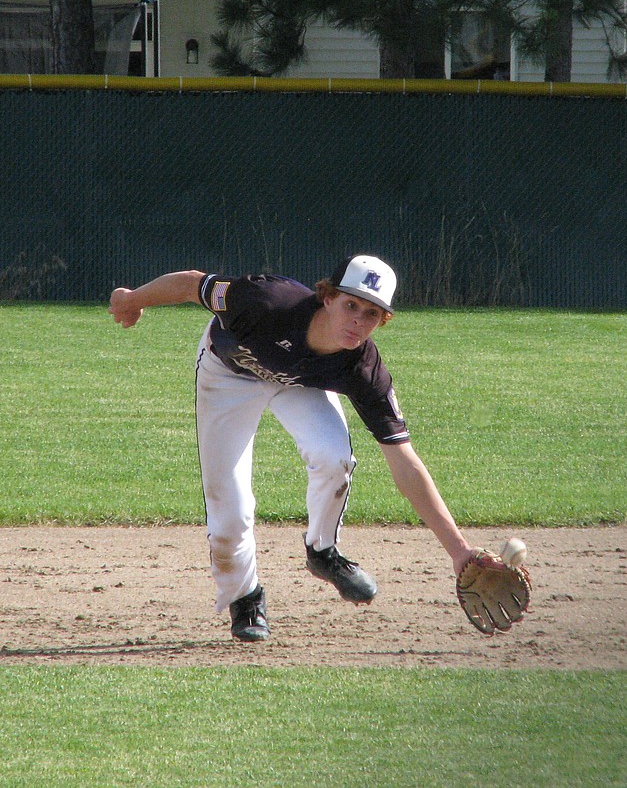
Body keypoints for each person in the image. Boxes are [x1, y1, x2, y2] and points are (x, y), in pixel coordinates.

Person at [109, 255, 486, 642]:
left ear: (382, 321)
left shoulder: (362, 368)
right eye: (350, 304)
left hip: (299, 382)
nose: (358, 320)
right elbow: (192, 284)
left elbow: (404, 462)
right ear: (327, 297)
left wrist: (459, 550)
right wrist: (132, 299)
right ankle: (245, 597)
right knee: (230, 511)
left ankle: (323, 552)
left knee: (334, 458)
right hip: (229, 375)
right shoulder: (263, 302)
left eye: (371, 313)